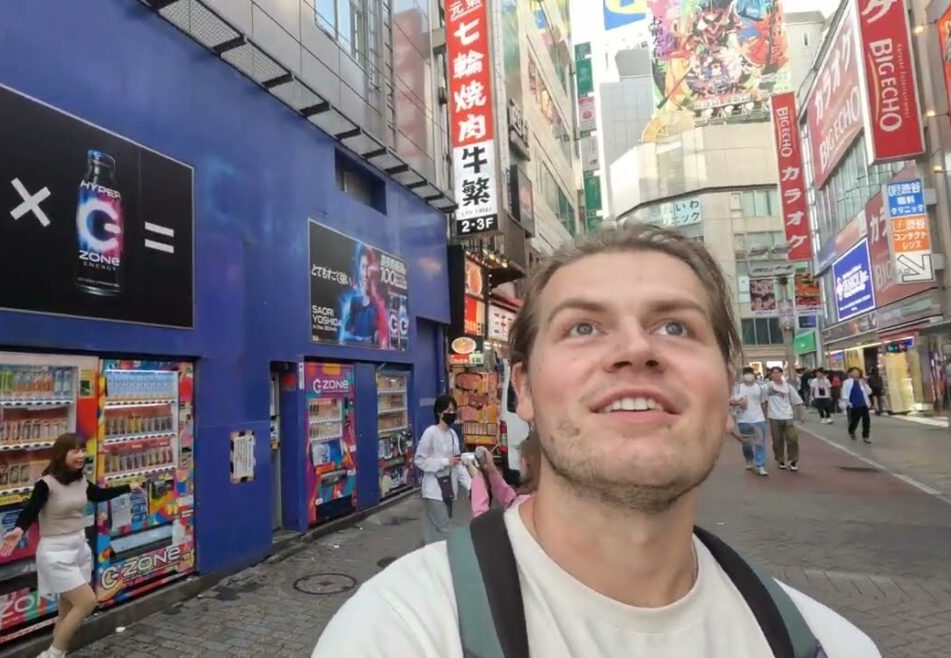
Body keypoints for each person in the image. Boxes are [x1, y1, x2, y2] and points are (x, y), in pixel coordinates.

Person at [314, 224, 878, 657]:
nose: (636, 349)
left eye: (676, 326)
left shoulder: (830, 643)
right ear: (525, 389)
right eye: (583, 327)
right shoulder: (400, 630)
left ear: (728, 381)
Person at [0, 433, 141, 658]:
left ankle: (60, 652)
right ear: (61, 454)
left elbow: (98, 495)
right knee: (87, 602)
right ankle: (52, 654)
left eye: (83, 450)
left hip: (78, 549)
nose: (81, 455)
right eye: (75, 451)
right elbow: (31, 510)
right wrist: (18, 530)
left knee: (66, 609)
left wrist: (128, 487)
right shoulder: (46, 484)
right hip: (55, 553)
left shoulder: (81, 481)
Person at [413, 394, 471, 545]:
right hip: (434, 491)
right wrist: (445, 461)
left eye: (454, 410)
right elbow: (419, 460)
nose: (452, 413)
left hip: (449, 491)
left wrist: (471, 485)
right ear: (440, 412)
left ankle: (431, 558)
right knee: (445, 530)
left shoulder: (452, 434)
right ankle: (443, 561)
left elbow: (457, 463)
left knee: (437, 531)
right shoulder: (431, 433)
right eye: (449, 410)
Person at [467, 433, 540, 517]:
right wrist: (492, 470)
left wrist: (477, 478)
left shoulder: (524, 506)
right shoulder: (539, 496)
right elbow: (511, 500)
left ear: (524, 461)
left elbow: (480, 524)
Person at [337, 243, 387, 347]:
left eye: (368, 268)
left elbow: (383, 343)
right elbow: (341, 340)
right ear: (358, 267)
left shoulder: (378, 305)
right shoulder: (346, 300)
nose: (365, 274)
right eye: (363, 267)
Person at [730, 366, 770, 476]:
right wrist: (738, 403)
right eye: (746, 373)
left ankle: (761, 465)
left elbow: (764, 402)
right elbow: (729, 401)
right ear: (742, 376)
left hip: (758, 418)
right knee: (747, 443)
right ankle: (749, 458)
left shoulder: (761, 387)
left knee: (760, 442)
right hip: (743, 419)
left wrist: (765, 416)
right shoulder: (737, 387)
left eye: (750, 373)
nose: (749, 376)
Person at [767, 366, 804, 471]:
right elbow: (761, 399)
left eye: (778, 373)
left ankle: (793, 460)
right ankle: (780, 459)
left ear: (781, 374)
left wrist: (800, 417)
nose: (776, 375)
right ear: (771, 375)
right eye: (773, 373)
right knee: (777, 440)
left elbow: (798, 402)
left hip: (787, 416)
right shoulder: (768, 386)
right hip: (774, 417)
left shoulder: (788, 387)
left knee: (792, 439)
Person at [840, 367, 873, 444]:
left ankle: (866, 436)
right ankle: (851, 431)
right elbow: (844, 394)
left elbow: (869, 392)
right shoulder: (847, 382)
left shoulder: (862, 382)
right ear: (850, 373)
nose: (856, 373)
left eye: (857, 372)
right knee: (855, 421)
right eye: (854, 372)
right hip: (854, 405)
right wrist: (847, 403)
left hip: (863, 404)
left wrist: (865, 384)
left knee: (866, 421)